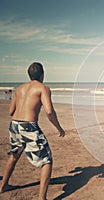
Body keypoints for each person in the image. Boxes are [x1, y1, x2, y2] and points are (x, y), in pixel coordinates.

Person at [0, 62, 65, 200]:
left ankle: (3, 186)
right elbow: (49, 111)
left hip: (14, 125)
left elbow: (11, 111)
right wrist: (59, 128)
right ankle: (42, 198)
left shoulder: (19, 89)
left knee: (14, 155)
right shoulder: (43, 88)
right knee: (47, 161)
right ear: (42, 75)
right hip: (29, 127)